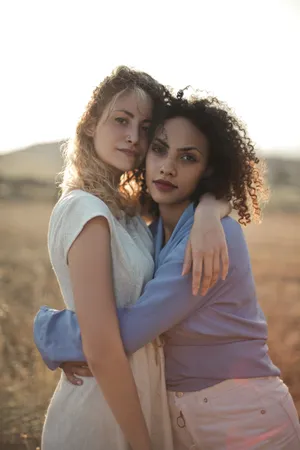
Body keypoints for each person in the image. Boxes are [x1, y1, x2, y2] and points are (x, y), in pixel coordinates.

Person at [35, 90, 300, 449]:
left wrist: (48, 330)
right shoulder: (153, 233)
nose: (168, 167)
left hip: (246, 418)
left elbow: (127, 332)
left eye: (187, 157)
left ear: (207, 169)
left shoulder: (211, 240)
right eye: (159, 149)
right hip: (188, 421)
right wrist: (211, 204)